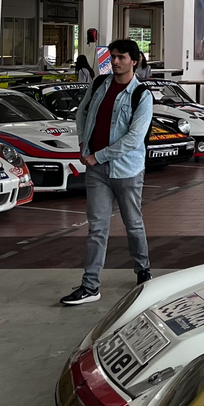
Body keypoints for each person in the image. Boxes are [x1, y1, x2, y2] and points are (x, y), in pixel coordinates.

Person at [60, 40, 154, 306]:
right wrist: (82, 142)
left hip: (126, 170)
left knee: (133, 224)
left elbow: (134, 139)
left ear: (134, 61)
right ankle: (90, 286)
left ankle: (142, 270)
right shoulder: (100, 84)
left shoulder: (141, 95)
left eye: (121, 57)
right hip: (97, 171)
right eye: (112, 57)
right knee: (97, 228)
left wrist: (97, 155)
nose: (115, 62)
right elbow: (82, 113)